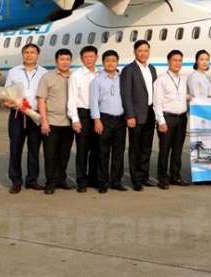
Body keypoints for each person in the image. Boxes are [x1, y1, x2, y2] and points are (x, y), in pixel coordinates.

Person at [4, 43, 47, 194]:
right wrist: (8, 101)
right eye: (26, 52)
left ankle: (32, 180)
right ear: (22, 55)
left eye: (32, 52)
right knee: (15, 148)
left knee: (34, 149)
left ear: (38, 55)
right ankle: (16, 181)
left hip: (35, 115)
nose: (29, 55)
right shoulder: (13, 72)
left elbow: (46, 96)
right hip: (17, 115)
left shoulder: (44, 73)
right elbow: (7, 93)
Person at [120, 40, 158, 191]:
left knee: (146, 147)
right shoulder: (129, 70)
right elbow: (126, 94)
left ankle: (144, 176)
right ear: (135, 52)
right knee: (135, 148)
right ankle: (136, 179)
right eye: (140, 50)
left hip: (150, 113)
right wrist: (129, 115)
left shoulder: (152, 69)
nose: (143, 53)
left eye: (146, 50)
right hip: (135, 115)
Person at [37, 49, 74, 195]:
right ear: (56, 61)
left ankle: (61, 179)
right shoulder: (47, 77)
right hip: (51, 122)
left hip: (69, 123)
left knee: (64, 154)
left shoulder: (74, 77)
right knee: (50, 154)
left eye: (67, 59)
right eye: (62, 59)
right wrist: (44, 121)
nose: (65, 62)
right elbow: (41, 100)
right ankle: (50, 182)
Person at [90, 50, 127, 193]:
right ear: (103, 62)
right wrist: (97, 120)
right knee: (103, 153)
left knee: (118, 152)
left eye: (113, 60)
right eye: (108, 60)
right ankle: (102, 183)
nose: (111, 63)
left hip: (120, 120)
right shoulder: (97, 80)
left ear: (117, 62)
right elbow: (93, 102)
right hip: (104, 119)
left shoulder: (122, 78)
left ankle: (116, 181)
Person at [154, 50, 191, 189]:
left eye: (180, 60)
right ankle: (162, 178)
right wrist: (161, 121)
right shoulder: (161, 80)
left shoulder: (183, 78)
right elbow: (157, 103)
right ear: (168, 62)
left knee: (177, 150)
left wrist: (191, 97)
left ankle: (175, 176)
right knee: (164, 150)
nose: (177, 63)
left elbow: (180, 96)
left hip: (181, 118)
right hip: (167, 119)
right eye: (175, 60)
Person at [67, 45, 100, 193]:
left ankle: (94, 178)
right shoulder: (76, 75)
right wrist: (75, 119)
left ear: (96, 57)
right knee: (82, 149)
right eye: (86, 57)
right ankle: (81, 181)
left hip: (98, 115)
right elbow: (72, 99)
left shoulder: (101, 73)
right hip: (83, 114)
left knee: (96, 148)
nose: (89, 60)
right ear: (81, 59)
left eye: (91, 57)